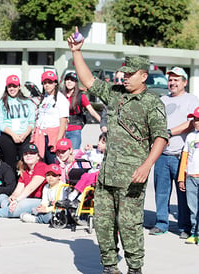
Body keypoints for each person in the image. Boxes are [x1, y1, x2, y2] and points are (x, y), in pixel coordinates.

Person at [67, 28, 167, 274]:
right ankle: (110, 267)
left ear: (143, 76)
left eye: (130, 74)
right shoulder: (115, 95)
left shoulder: (152, 103)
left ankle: (134, 268)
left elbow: (161, 137)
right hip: (107, 174)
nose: (124, 77)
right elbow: (88, 81)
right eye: (124, 72)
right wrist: (76, 52)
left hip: (132, 176)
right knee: (103, 223)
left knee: (130, 224)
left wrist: (146, 166)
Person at [150, 67, 199, 238]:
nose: (172, 83)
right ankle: (161, 223)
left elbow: (192, 124)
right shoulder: (162, 100)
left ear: (184, 82)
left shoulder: (191, 100)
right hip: (162, 154)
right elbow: (154, 121)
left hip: (181, 155)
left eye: (176, 79)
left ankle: (184, 227)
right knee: (161, 192)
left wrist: (169, 132)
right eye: (170, 79)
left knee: (183, 193)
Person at [0, 144, 47, 218]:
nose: (28, 155)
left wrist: (17, 200)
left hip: (40, 200)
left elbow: (30, 188)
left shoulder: (42, 167)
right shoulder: (25, 171)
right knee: (3, 198)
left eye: (32, 153)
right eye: (25, 154)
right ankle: (2, 208)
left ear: (38, 156)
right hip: (25, 198)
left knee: (21, 205)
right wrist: (13, 197)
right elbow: (18, 190)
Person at [0, 75, 36, 171]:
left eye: (14, 86)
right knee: (10, 164)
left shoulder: (28, 102)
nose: (12, 89)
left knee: (25, 163)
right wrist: (13, 135)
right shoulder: (2, 103)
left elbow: (32, 121)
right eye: (10, 86)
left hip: (24, 136)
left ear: (19, 87)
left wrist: (25, 134)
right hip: (8, 136)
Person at [59, 133, 107, 207]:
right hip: (90, 176)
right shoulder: (94, 153)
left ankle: (76, 199)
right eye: (99, 141)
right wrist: (84, 150)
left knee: (88, 177)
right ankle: (72, 199)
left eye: (102, 143)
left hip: (100, 177)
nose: (98, 143)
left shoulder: (109, 157)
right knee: (86, 177)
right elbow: (76, 157)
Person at [32, 71, 69, 164]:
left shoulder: (61, 99)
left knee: (53, 164)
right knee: (41, 164)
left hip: (53, 137)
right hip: (40, 136)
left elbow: (63, 122)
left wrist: (58, 141)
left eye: (50, 82)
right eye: (45, 83)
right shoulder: (43, 98)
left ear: (55, 83)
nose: (47, 85)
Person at [61, 72, 101, 149]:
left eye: (72, 80)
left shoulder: (80, 96)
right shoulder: (60, 95)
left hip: (74, 129)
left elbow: (91, 111)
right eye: (67, 80)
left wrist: (102, 122)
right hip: (61, 130)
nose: (69, 82)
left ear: (76, 83)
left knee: (73, 154)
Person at [178, 106, 199, 244]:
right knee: (193, 207)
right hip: (191, 176)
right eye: (194, 119)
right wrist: (181, 178)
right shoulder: (190, 137)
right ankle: (194, 233)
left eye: (198, 120)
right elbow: (185, 158)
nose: (195, 122)